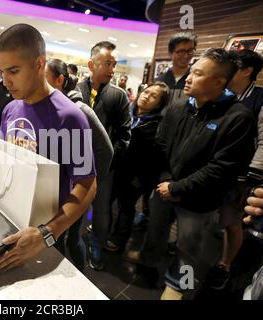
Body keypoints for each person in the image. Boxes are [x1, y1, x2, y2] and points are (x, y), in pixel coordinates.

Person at [0, 24, 97, 274]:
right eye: (1, 71)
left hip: (45, 234)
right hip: (7, 220)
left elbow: (87, 185)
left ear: (40, 64)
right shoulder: (12, 108)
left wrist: (46, 235)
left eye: (14, 71)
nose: (5, 81)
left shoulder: (69, 117)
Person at [125, 48, 255, 300]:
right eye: (191, 72)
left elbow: (221, 168)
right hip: (165, 189)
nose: (188, 79)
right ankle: (148, 263)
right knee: (156, 230)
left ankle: (178, 286)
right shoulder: (178, 107)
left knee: (189, 247)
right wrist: (165, 182)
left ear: (218, 81)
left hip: (199, 200)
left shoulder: (238, 117)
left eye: (197, 73)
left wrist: (178, 187)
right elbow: (161, 147)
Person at [45, 58, 114, 271]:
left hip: (74, 190)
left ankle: (79, 275)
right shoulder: (47, 107)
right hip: (54, 189)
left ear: (59, 80)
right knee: (58, 237)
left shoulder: (79, 109)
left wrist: (89, 184)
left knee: (71, 236)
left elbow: (106, 150)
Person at [205, 50, 263, 290]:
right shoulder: (221, 94)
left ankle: (224, 265)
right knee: (205, 219)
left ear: (247, 70)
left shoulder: (260, 99)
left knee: (232, 221)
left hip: (241, 174)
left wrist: (251, 177)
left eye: (233, 66)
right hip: (214, 168)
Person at [77, 41, 132, 270]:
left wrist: (106, 163)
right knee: (74, 206)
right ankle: (74, 241)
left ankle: (97, 245)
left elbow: (124, 135)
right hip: (76, 164)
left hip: (104, 168)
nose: (112, 69)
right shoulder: (75, 90)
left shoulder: (118, 96)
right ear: (92, 64)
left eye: (114, 64)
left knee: (101, 211)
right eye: (107, 63)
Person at [108, 82, 169, 252]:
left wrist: (141, 180)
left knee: (126, 209)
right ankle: (103, 229)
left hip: (136, 177)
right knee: (106, 202)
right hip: (115, 169)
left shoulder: (158, 126)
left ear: (160, 104)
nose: (146, 96)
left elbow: (155, 158)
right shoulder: (128, 116)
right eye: (146, 91)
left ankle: (119, 239)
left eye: (154, 96)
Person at [157, 32, 197, 109]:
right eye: (181, 52)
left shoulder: (196, 80)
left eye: (190, 51)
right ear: (170, 53)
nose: (186, 56)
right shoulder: (160, 81)